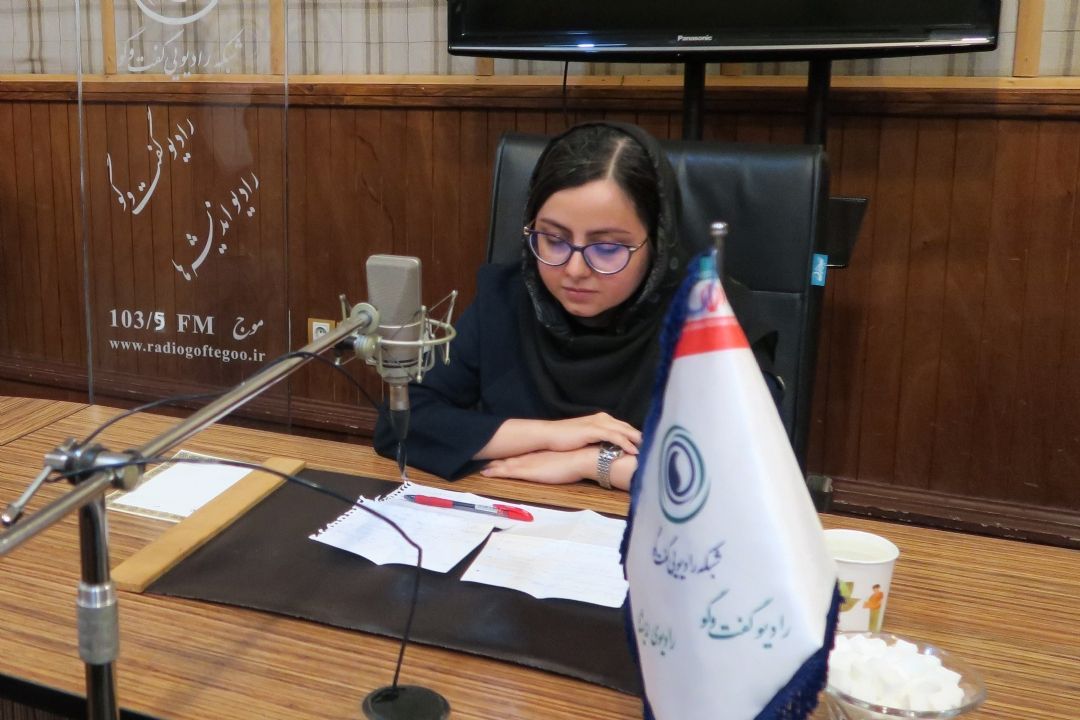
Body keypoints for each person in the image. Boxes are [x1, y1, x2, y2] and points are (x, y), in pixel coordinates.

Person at [373, 121, 690, 491]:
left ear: (657, 241)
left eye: (607, 248)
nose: (575, 270)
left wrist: (593, 462)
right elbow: (400, 423)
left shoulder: (708, 316)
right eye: (553, 239)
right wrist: (553, 435)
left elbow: (738, 475)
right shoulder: (506, 297)